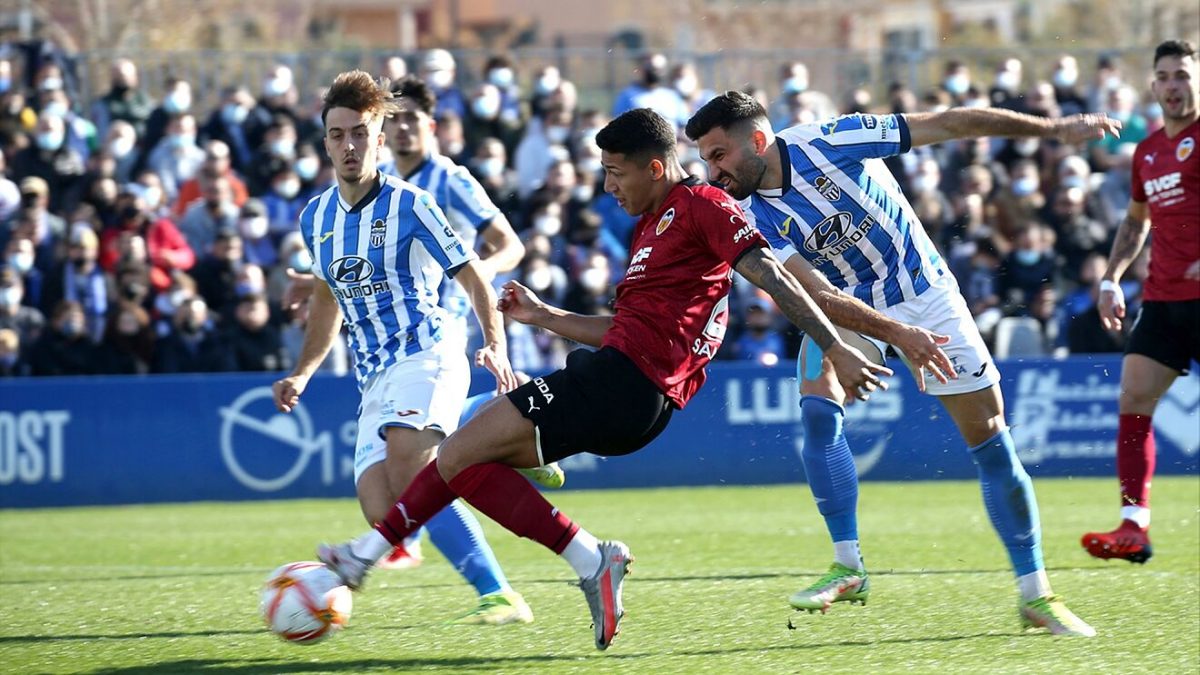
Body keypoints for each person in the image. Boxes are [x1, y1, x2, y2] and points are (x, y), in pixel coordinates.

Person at [314, 107, 892, 650]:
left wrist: (832, 345)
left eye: (617, 173)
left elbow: (770, 275)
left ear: (657, 168)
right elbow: (626, 327)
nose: (609, 186)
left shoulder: (702, 205)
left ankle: (366, 558)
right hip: (626, 383)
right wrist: (547, 318)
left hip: (627, 385)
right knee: (465, 463)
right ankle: (586, 557)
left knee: (455, 453)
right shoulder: (651, 227)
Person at [684, 89, 1121, 636]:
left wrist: (1052, 130)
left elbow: (950, 120)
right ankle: (848, 565)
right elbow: (811, 290)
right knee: (818, 411)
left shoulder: (834, 139)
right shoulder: (749, 212)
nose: (712, 170)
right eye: (704, 159)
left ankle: (1037, 594)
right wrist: (894, 334)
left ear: (757, 140)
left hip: (927, 296)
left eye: (718, 155)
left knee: (990, 443)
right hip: (848, 308)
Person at [270, 70, 533, 626]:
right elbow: (326, 299)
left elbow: (474, 274)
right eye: (337, 134)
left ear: (378, 139)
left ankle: (499, 594)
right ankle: (493, 429)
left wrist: (494, 344)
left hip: (427, 351)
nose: (348, 145)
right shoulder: (314, 216)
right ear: (324, 142)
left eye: (359, 134)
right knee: (386, 514)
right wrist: (303, 373)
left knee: (418, 473)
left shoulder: (415, 201)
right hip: (374, 376)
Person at [1081, 40, 1200, 564]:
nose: (1174, 85)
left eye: (1183, 75)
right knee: (1133, 397)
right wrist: (1111, 277)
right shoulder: (1148, 152)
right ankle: (1135, 525)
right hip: (1164, 299)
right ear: (1153, 86)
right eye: (1165, 77)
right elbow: (1136, 220)